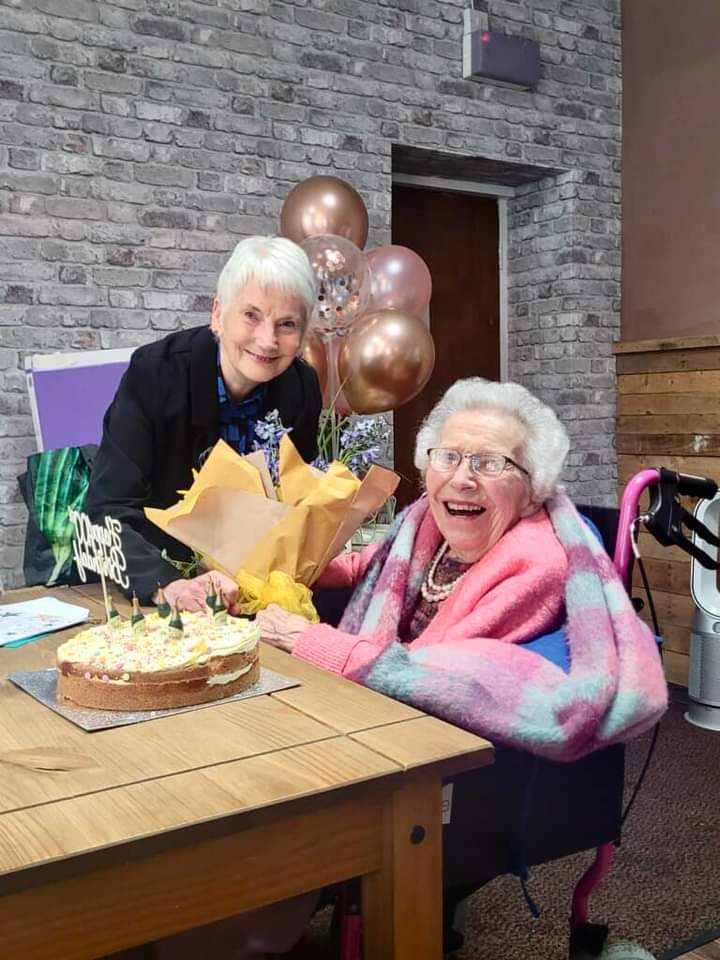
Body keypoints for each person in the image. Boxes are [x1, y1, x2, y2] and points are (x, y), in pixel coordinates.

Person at [258, 377, 668, 761]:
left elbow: (435, 677)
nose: (462, 478)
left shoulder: (538, 564)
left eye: (491, 463)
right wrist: (257, 573)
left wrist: (308, 639)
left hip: (433, 753)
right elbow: (362, 567)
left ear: (532, 491)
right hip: (370, 712)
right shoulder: (423, 523)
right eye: (448, 457)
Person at [86, 236, 322, 610]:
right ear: (218, 314)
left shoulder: (302, 387)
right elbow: (105, 511)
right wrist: (169, 585)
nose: (267, 339)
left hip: (252, 594)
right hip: (164, 587)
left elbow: (298, 505)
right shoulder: (156, 374)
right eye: (251, 315)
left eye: (287, 323)